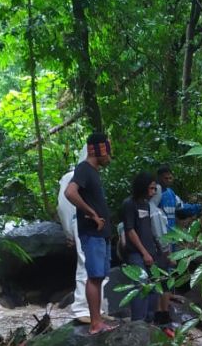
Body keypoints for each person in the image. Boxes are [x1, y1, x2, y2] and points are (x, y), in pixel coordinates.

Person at [65, 133, 114, 335]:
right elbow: (70, 192)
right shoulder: (84, 168)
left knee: (99, 275)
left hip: (101, 234)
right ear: (100, 149)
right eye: (108, 151)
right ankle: (95, 323)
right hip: (92, 234)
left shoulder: (93, 171)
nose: (110, 156)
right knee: (94, 276)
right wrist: (91, 213)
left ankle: (98, 319)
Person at [122, 172, 172, 327]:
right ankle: (138, 322)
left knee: (153, 286)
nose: (154, 192)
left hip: (151, 252)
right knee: (140, 285)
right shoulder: (129, 204)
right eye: (151, 188)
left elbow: (150, 229)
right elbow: (130, 230)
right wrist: (144, 252)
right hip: (137, 253)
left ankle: (149, 321)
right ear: (142, 187)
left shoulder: (146, 205)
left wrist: (160, 252)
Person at [57, 147, 93, 322]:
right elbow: (63, 207)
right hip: (78, 221)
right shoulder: (71, 177)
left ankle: (96, 308)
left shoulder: (92, 175)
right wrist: (68, 232)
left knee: (96, 266)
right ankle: (81, 308)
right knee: (85, 263)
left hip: (91, 224)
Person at [156, 165, 202, 236]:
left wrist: (198, 206)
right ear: (159, 178)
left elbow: (182, 207)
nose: (168, 180)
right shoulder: (154, 193)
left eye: (170, 178)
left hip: (172, 232)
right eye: (166, 178)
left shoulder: (171, 193)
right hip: (160, 233)